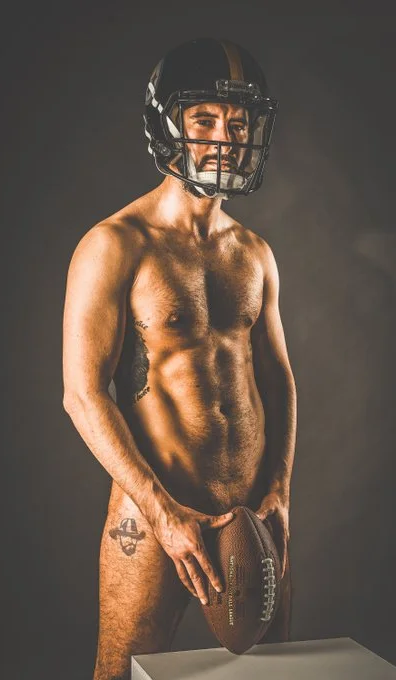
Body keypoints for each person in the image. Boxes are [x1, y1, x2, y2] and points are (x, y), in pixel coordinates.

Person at [62, 37, 297, 680]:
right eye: (205, 119)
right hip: (154, 511)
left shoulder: (254, 253)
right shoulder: (115, 245)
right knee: (119, 673)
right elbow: (82, 394)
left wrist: (279, 489)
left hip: (252, 515)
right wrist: (163, 516)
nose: (225, 138)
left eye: (238, 123)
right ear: (168, 125)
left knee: (270, 675)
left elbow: (277, 380)